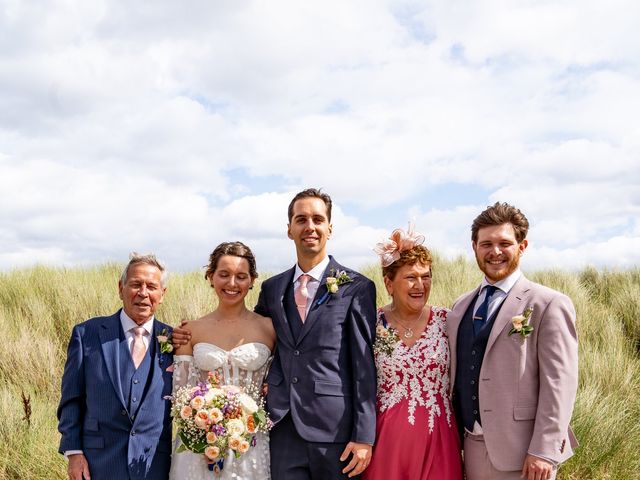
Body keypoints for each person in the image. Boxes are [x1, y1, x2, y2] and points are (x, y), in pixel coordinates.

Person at [448, 202, 578, 480]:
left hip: (526, 455)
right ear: (474, 246)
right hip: (469, 447)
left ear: (522, 245)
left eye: (504, 243)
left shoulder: (549, 303)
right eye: (486, 243)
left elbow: (560, 383)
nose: (495, 252)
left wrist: (545, 451)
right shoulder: (460, 307)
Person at [255, 188, 377, 479]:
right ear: (289, 230)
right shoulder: (272, 289)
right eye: (301, 219)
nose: (310, 226)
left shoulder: (357, 287)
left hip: (336, 431)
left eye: (317, 219)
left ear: (329, 228)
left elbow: (363, 367)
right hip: (283, 427)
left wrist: (364, 436)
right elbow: (255, 336)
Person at [57, 253, 174, 480]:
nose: (143, 293)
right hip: (97, 464)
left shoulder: (176, 341)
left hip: (155, 466)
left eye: (151, 286)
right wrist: (74, 453)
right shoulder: (87, 334)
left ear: (162, 294)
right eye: (135, 284)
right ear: (121, 288)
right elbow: (71, 399)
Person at [362, 225, 463, 479]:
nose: (420, 284)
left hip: (439, 439)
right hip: (385, 443)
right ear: (389, 283)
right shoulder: (371, 324)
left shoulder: (447, 321)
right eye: (410, 277)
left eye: (425, 276)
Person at [169, 241, 276, 480]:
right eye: (224, 274)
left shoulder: (270, 329)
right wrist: (202, 437)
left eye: (241, 276)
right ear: (211, 276)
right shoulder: (190, 331)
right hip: (199, 447)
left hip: (251, 447)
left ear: (252, 281)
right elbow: (181, 393)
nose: (232, 283)